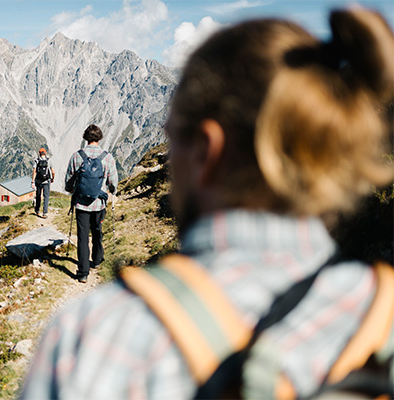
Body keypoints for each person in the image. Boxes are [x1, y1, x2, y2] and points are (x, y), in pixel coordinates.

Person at [20, 7, 394, 400]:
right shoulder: (382, 316)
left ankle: (84, 266)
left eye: (173, 138)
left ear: (205, 151)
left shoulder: (95, 337)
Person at [64, 124, 118, 283]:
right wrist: (111, 191)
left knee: (82, 236)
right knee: (97, 231)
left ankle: (82, 272)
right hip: (99, 203)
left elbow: (68, 182)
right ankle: (96, 260)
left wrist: (72, 190)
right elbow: (113, 183)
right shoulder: (107, 157)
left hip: (81, 203)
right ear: (99, 137)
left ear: (85, 138)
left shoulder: (77, 156)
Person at [31, 147, 55, 219]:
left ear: (39, 153)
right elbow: (53, 172)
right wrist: (52, 179)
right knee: (46, 196)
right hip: (46, 181)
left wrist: (32, 181)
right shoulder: (49, 161)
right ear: (45, 153)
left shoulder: (37, 161)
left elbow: (34, 171)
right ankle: (45, 213)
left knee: (38, 196)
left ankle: (37, 211)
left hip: (38, 181)